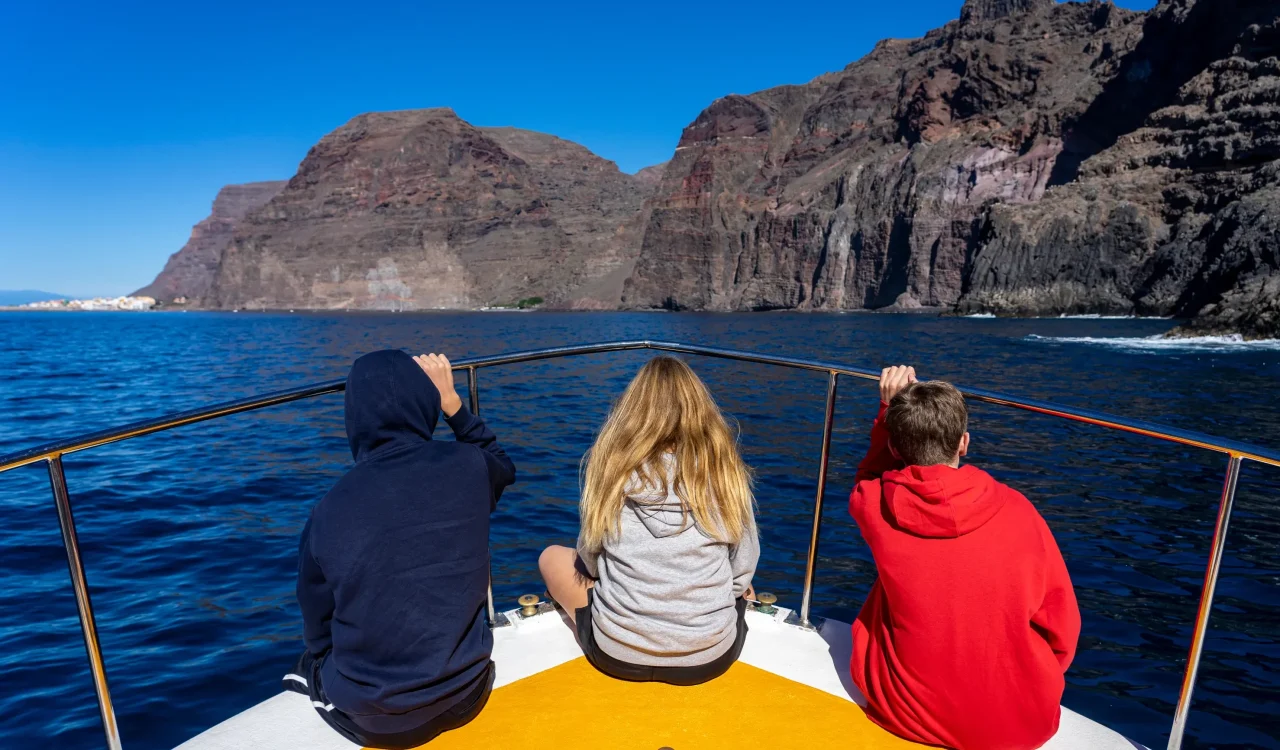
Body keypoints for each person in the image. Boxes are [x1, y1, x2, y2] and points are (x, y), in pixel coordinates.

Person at [284, 350, 516, 749]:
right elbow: (503, 466)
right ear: (426, 404)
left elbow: (317, 623)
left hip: (379, 723)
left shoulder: (328, 510)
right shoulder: (470, 467)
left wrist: (323, 658)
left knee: (310, 662)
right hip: (470, 691)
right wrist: (454, 406)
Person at [847, 365, 1081, 750]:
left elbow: (867, 476)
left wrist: (885, 412)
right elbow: (1062, 625)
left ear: (893, 447)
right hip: (1023, 724)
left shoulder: (874, 505)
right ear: (964, 442)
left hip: (913, 713)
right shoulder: (1021, 511)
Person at [538, 355, 759, 686]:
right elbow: (742, 570)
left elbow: (591, 561)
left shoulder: (612, 472)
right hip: (711, 656)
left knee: (551, 556)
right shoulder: (725, 474)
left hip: (617, 653)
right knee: (746, 587)